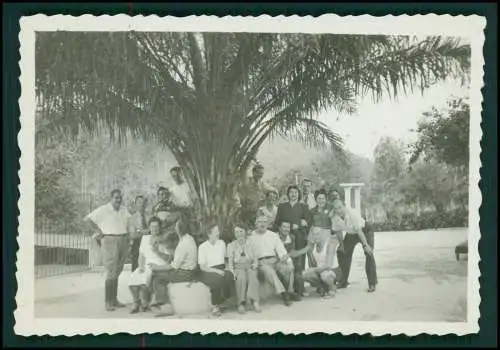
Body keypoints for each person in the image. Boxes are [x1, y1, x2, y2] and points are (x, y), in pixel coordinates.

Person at [84, 189, 132, 311]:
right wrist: (98, 231)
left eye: (120, 197)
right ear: (111, 198)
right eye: (116, 197)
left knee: (117, 271)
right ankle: (108, 302)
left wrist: (128, 235)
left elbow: (129, 222)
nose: (118, 200)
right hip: (109, 240)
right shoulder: (103, 209)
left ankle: (114, 299)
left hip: (122, 240)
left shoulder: (124, 209)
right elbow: (88, 219)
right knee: (111, 271)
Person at [150, 215, 198, 316]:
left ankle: (166, 306)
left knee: (157, 278)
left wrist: (156, 267)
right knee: (158, 274)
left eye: (176, 226)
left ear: (179, 229)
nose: (174, 228)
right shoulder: (189, 238)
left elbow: (173, 267)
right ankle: (156, 302)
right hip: (189, 271)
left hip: (185, 273)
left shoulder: (183, 244)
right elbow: (176, 257)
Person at [331, 199, 378, 292]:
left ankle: (372, 283)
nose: (338, 210)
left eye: (340, 207)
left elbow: (359, 232)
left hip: (365, 230)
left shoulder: (352, 214)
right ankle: (343, 281)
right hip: (351, 233)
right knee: (341, 252)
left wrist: (365, 245)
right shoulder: (334, 217)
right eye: (336, 208)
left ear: (344, 206)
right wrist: (341, 244)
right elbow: (338, 231)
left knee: (368, 253)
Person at [247, 216, 295, 307]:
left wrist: (288, 261)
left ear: (268, 224)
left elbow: (281, 251)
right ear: (256, 224)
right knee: (270, 272)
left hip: (274, 260)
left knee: (288, 268)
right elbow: (249, 253)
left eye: (265, 222)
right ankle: (284, 294)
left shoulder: (273, 235)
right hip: (261, 263)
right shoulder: (251, 236)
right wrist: (255, 261)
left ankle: (289, 292)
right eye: (260, 222)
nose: (263, 224)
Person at [273, 185, 310, 297]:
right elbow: (277, 223)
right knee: (285, 262)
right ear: (288, 194)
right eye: (291, 192)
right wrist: (283, 229)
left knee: (299, 263)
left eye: (295, 192)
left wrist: (298, 225)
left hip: (299, 238)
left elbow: (308, 224)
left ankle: (300, 289)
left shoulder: (303, 207)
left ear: (299, 194)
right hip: (285, 239)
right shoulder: (282, 206)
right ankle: (285, 290)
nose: (293, 194)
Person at [128, 216, 170, 314]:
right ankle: (136, 302)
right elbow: (141, 255)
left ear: (160, 227)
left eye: (157, 226)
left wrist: (157, 251)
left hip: (159, 264)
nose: (154, 229)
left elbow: (168, 259)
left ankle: (144, 303)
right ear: (149, 227)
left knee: (144, 280)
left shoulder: (164, 238)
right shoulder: (145, 238)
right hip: (146, 264)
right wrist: (140, 266)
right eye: (152, 226)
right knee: (133, 279)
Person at [284, 227, 339, 298]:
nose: (315, 236)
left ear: (322, 234)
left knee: (325, 274)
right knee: (301, 275)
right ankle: (322, 287)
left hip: (333, 270)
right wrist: (288, 254)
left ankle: (332, 287)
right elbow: (298, 253)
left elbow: (328, 265)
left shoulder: (330, 243)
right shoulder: (312, 245)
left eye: (318, 234)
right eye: (313, 234)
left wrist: (312, 269)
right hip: (320, 271)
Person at [198, 223, 235, 317]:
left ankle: (223, 300)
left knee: (230, 276)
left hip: (221, 268)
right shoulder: (202, 247)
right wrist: (217, 271)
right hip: (208, 271)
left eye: (218, 231)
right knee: (216, 280)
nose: (218, 233)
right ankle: (215, 306)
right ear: (209, 234)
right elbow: (203, 267)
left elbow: (225, 259)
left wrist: (228, 268)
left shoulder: (222, 243)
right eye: (216, 231)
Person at [226, 222, 260, 314]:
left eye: (241, 231)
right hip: (238, 267)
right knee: (241, 278)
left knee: (253, 276)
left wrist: (255, 264)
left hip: (249, 265)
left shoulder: (251, 243)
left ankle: (254, 301)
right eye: (236, 232)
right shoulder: (231, 245)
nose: (239, 234)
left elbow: (256, 258)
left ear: (245, 232)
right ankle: (241, 303)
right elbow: (230, 262)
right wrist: (232, 272)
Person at [239, 163, 277, 228]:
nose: (261, 175)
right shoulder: (247, 182)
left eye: (262, 173)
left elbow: (272, 189)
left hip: (257, 213)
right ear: (253, 172)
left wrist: (275, 192)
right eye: (259, 173)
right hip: (246, 212)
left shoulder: (261, 183)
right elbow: (240, 192)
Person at [276, 221, 302, 298]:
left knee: (290, 267)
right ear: (279, 228)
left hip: (287, 260)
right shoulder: (274, 237)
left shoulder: (291, 238)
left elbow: (291, 252)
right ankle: (288, 292)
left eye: (288, 227)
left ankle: (288, 293)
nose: (286, 229)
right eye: (284, 227)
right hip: (276, 260)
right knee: (287, 267)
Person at [127, 195, 150, 272]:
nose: (141, 204)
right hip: (137, 246)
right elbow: (133, 235)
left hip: (149, 245)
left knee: (149, 269)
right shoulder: (132, 218)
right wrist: (146, 231)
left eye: (143, 202)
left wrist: (139, 230)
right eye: (139, 202)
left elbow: (153, 231)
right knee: (136, 270)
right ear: (135, 204)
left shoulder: (150, 217)